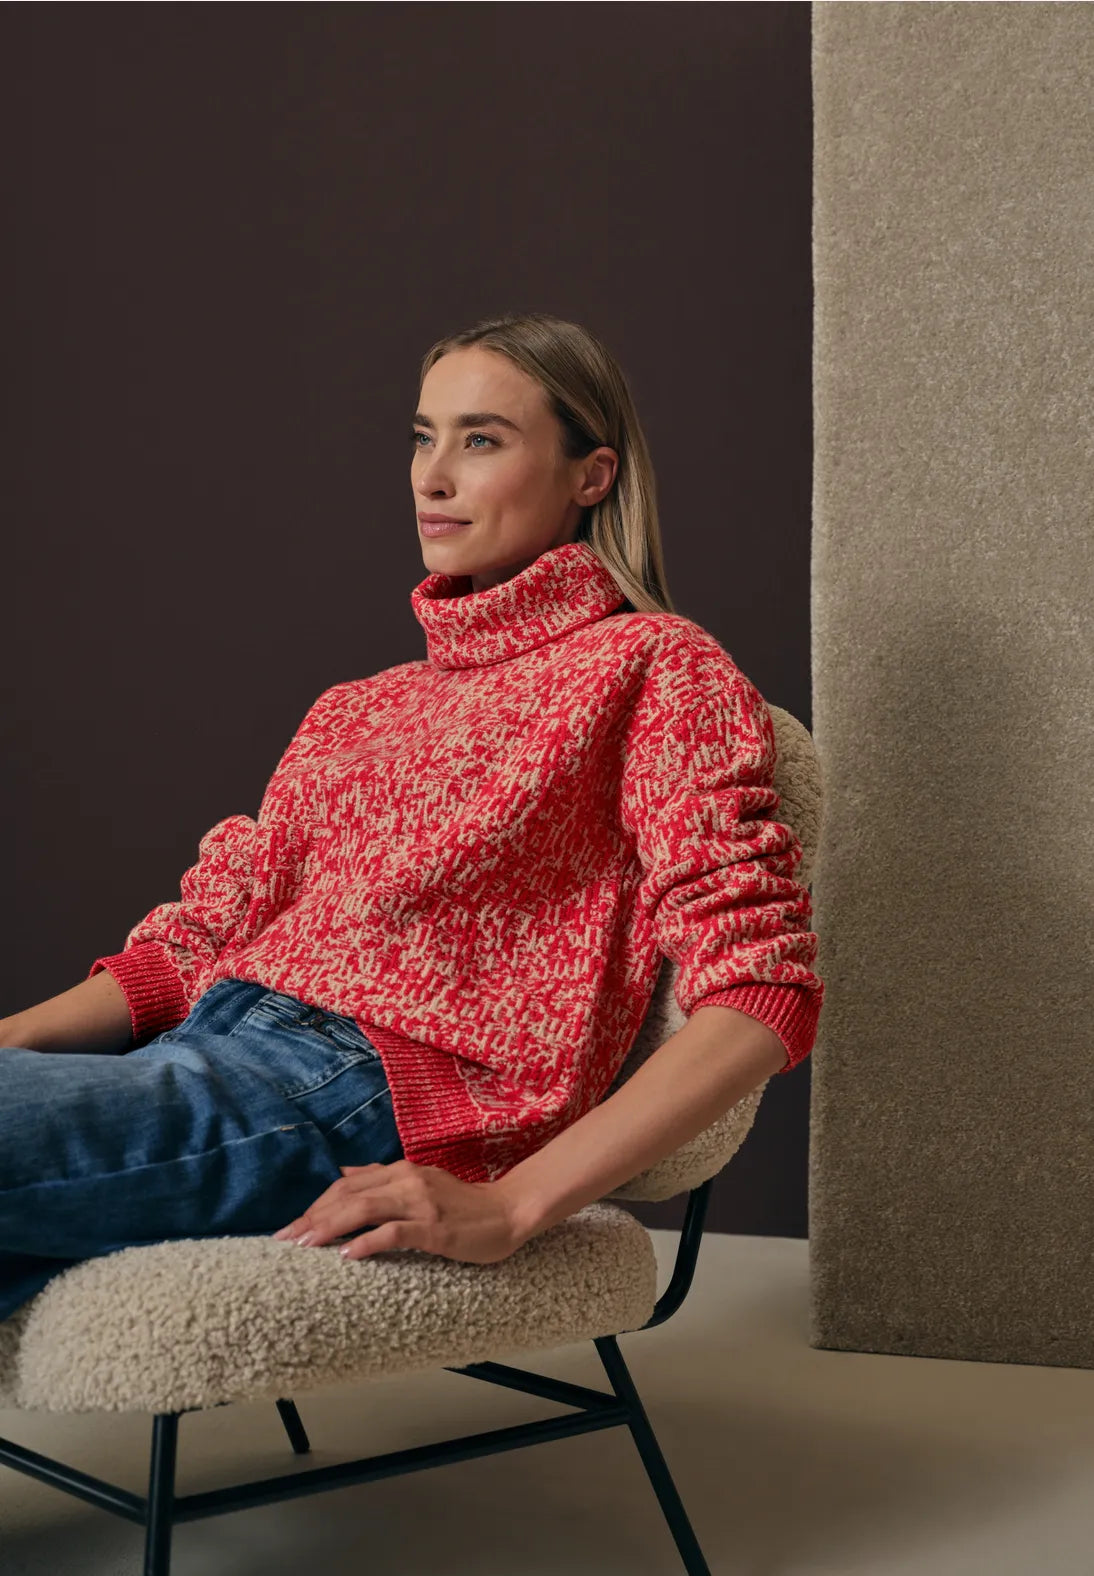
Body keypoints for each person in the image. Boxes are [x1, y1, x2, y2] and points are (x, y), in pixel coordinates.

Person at [0, 312, 825, 1321]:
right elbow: (195, 945)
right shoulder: (357, 707)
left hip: (352, 1093)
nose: (432, 476)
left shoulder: (655, 666)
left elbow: (759, 992)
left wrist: (515, 1202)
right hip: (205, 1049)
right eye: (422, 437)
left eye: (480, 440)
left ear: (591, 475)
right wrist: (13, 1039)